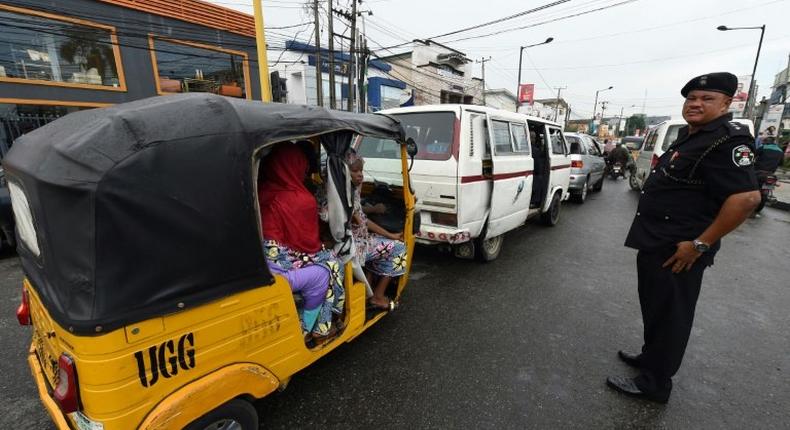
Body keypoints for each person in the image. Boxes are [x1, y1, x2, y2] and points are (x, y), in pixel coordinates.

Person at [607, 72, 760, 403]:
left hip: (681, 248)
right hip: (658, 241)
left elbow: (746, 199)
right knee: (656, 308)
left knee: (671, 314)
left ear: (726, 103)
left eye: (707, 99)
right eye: (692, 98)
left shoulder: (728, 140)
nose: (696, 104)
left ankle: (656, 383)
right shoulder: (694, 137)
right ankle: (651, 358)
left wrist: (699, 245)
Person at [258, 143, 345, 339]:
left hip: (260, 260)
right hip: (278, 267)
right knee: (332, 265)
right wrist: (324, 247)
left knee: (329, 260)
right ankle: (316, 328)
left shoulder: (261, 191)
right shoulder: (301, 198)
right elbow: (309, 245)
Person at [346, 150, 408, 310]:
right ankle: (378, 296)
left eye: (361, 171)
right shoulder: (346, 194)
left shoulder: (344, 189)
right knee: (399, 248)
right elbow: (362, 220)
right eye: (355, 171)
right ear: (344, 172)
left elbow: (360, 215)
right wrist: (391, 235)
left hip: (353, 241)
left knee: (381, 241)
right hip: (354, 246)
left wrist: (387, 233)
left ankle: (369, 287)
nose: (360, 175)